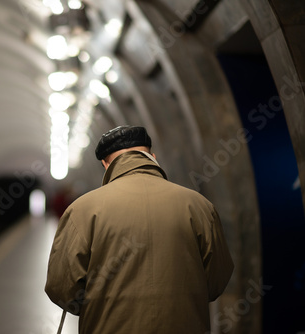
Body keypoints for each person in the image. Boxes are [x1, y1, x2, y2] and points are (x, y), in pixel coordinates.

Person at [45, 125, 234, 334]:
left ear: (105, 164)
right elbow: (218, 278)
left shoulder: (82, 210)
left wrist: (100, 304)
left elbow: (61, 287)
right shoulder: (199, 206)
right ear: (152, 156)